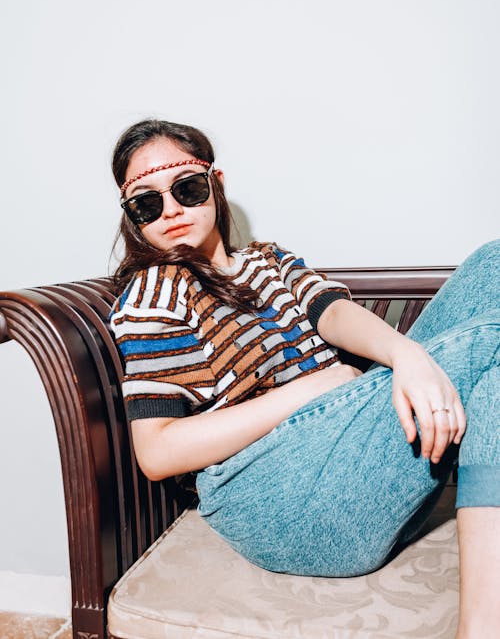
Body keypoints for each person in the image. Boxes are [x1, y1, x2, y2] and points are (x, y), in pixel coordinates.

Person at [109, 118, 499, 639]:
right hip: (273, 497)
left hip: (341, 455)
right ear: (133, 217)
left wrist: (408, 355)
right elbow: (156, 454)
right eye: (147, 203)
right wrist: (309, 388)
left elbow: (332, 314)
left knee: (494, 265)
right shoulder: (154, 295)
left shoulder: (269, 261)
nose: (172, 210)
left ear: (216, 183)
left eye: (187, 188)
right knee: (489, 338)